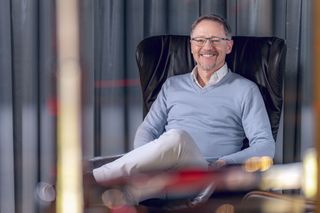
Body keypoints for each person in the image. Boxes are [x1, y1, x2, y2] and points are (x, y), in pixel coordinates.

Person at [90, 14, 275, 208]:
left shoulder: (245, 90)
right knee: (114, 197)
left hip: (204, 176)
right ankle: (92, 197)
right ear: (191, 45)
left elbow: (265, 147)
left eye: (215, 40)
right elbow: (147, 130)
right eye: (200, 40)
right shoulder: (172, 85)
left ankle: (91, 178)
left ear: (228, 46)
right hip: (164, 177)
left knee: (177, 138)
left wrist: (224, 162)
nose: (207, 47)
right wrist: (148, 165)